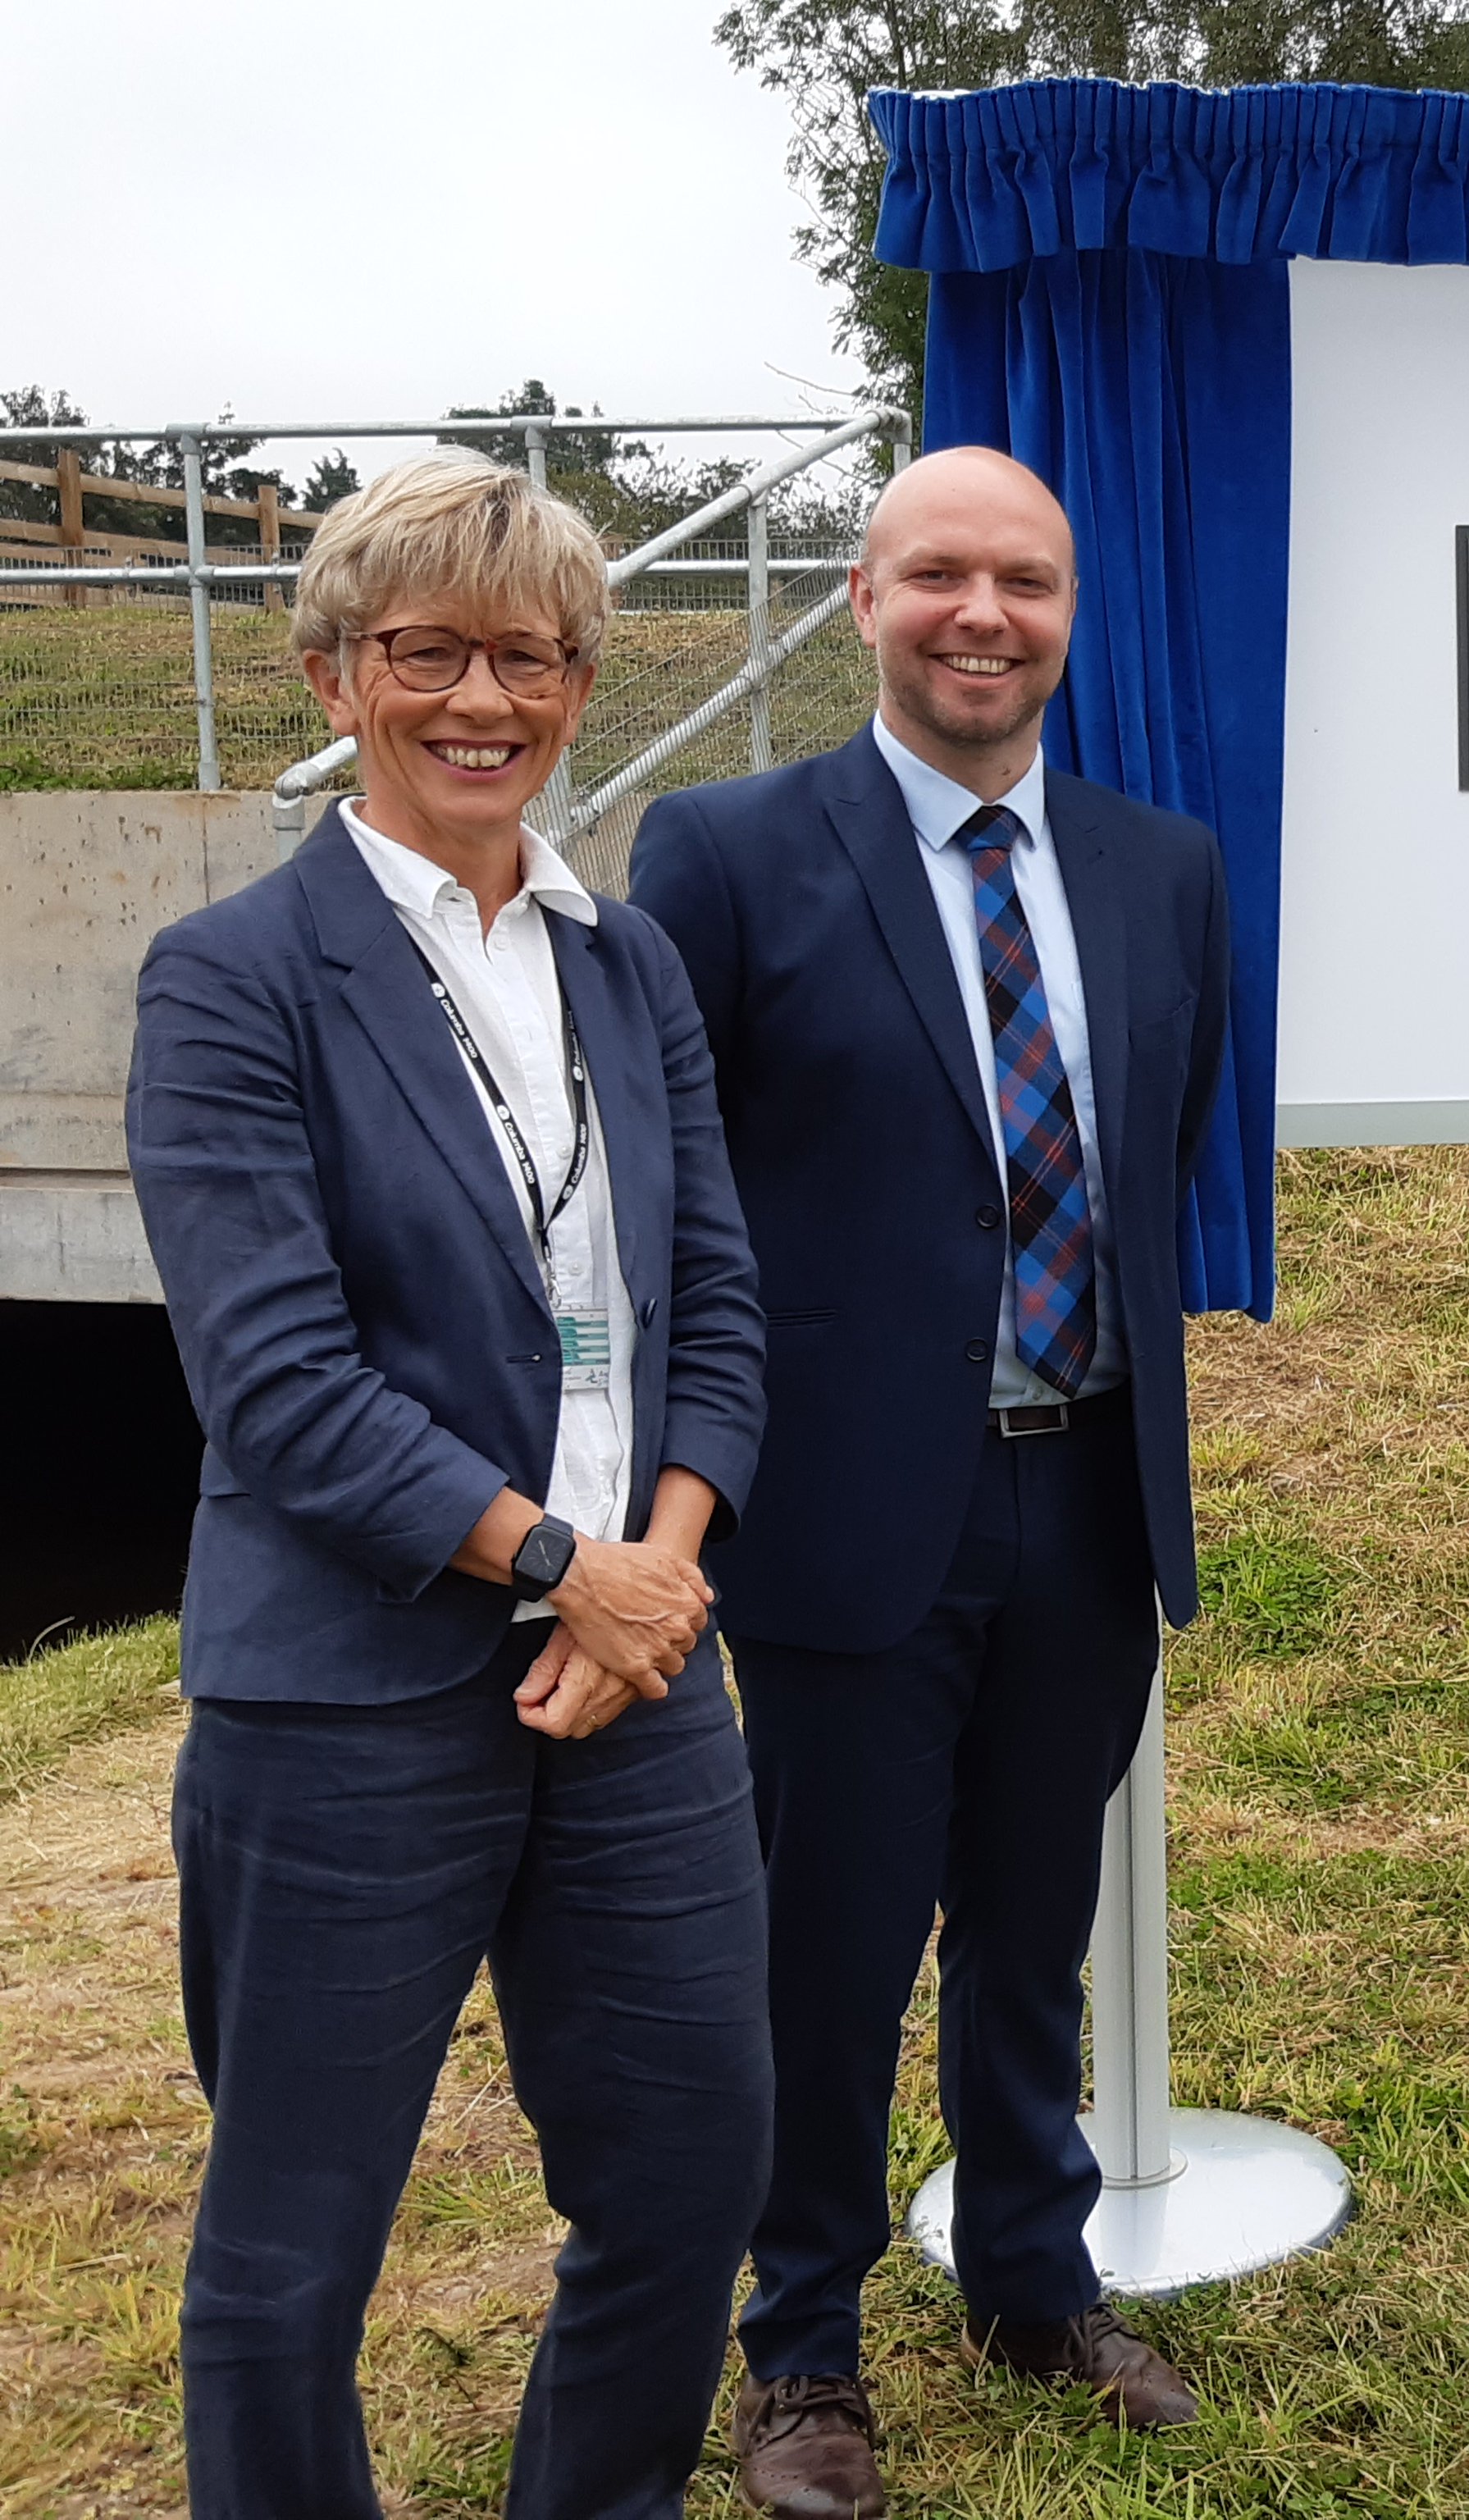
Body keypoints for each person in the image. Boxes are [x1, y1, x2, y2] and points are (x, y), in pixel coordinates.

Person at [126, 455, 773, 2518]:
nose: (479, 696)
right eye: (425, 651)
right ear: (333, 669)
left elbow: (719, 1308)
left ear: (581, 683)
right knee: (286, 2266)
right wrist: (565, 1565)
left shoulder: (629, 965)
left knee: (687, 2186)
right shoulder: (230, 977)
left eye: (528, 654)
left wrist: (654, 1578)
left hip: (638, 1689)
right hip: (344, 1701)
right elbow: (280, 1384)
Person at [629, 444, 1231, 2516]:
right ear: (863, 601)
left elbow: (1153, 1163)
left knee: (1032, 1926)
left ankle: (1028, 2278)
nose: (985, 617)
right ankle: (798, 2342)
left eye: (1027, 582)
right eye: (941, 578)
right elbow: (664, 1196)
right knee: (831, 1944)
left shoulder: (1164, 868)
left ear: (1073, 611)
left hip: (1085, 1495)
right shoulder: (719, 849)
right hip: (836, 1510)